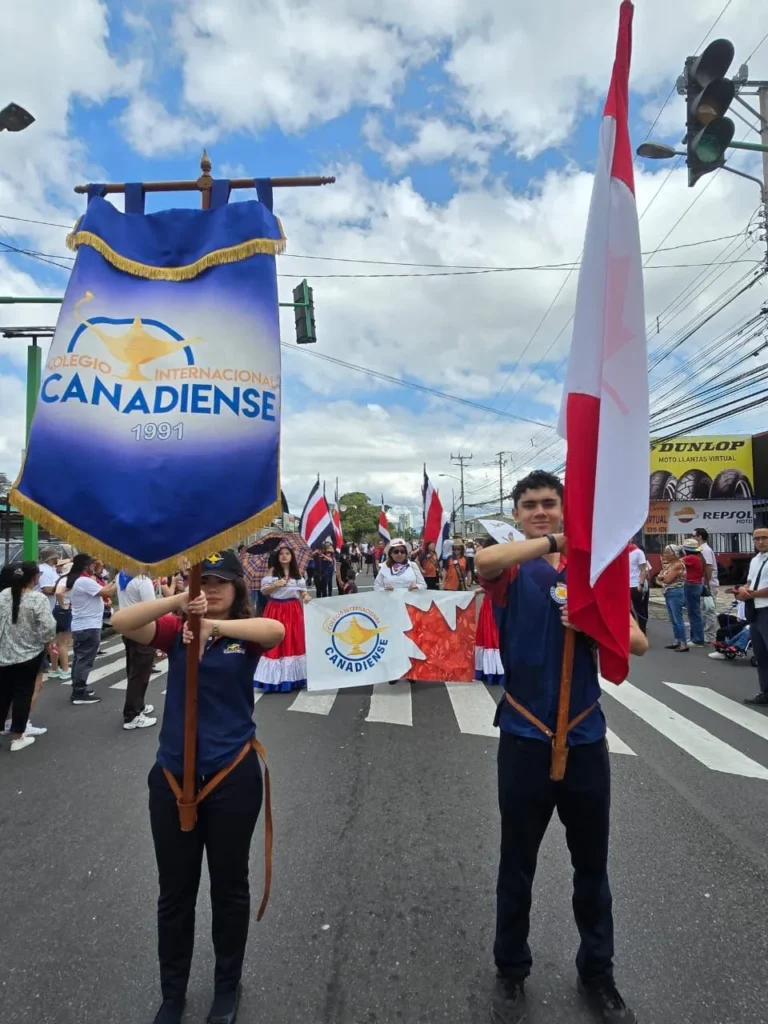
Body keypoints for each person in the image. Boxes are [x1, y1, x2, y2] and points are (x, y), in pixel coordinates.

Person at [475, 470, 647, 1024]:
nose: (541, 511)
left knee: (592, 867)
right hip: (524, 736)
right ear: (518, 514)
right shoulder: (511, 567)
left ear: (566, 506)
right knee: (516, 864)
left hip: (585, 737)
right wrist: (558, 542)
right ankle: (510, 968)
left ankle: (599, 973)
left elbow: (637, 642)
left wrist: (594, 621)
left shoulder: (593, 571)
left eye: (551, 504)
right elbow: (483, 564)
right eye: (531, 506)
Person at [110, 551, 284, 1024]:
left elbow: (276, 633)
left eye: (220, 581)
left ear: (236, 587)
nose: (210, 588)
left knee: (229, 889)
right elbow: (123, 621)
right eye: (202, 580)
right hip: (172, 779)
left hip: (232, 775)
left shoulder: (243, 634)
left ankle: (226, 989)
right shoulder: (177, 632)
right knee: (175, 893)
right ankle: (173, 994)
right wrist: (176, 602)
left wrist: (217, 628)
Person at [0, 562, 57, 752]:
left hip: (4, 652)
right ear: (34, 577)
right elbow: (48, 626)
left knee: (4, 693)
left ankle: (6, 727)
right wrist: (47, 641)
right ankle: (18, 736)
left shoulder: (3, 595)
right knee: (23, 693)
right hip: (29, 653)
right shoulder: (37, 599)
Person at [254, 545, 310, 693]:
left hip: (293, 610)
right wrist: (275, 584)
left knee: (293, 641)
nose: (284, 556)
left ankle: (294, 678)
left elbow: (302, 592)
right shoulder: (271, 574)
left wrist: (306, 596)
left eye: (287, 553)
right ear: (277, 558)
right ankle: (273, 680)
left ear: (292, 557)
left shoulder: (297, 575)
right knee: (275, 641)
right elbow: (264, 591)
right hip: (275, 609)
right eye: (281, 554)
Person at [66, 553, 117, 705]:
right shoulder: (83, 581)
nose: (94, 567)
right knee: (84, 660)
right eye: (92, 565)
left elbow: (103, 589)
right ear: (85, 566)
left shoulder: (80, 580)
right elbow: (107, 592)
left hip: (83, 625)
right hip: (88, 626)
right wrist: (119, 579)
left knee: (79, 658)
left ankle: (78, 687)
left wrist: (114, 580)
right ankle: (79, 692)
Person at [116, 570, 159, 730]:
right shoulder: (142, 580)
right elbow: (152, 608)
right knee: (140, 672)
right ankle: (132, 714)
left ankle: (138, 705)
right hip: (143, 630)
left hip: (127, 628)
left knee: (133, 669)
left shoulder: (121, 576)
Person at [735, 526, 768, 707]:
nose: (761, 541)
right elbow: (750, 581)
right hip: (755, 611)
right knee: (761, 654)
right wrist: (743, 589)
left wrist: (752, 594)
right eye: (757, 539)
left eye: (764, 538)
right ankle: (765, 692)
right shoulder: (756, 560)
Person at [657, 544, 688, 651]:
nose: (665, 555)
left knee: (677, 618)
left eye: (667, 553)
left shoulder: (678, 565)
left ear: (674, 554)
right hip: (669, 592)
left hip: (676, 592)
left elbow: (667, 579)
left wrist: (662, 577)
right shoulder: (670, 565)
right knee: (673, 619)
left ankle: (683, 642)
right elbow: (659, 576)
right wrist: (662, 577)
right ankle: (677, 640)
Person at [693, 527, 719, 642]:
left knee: (709, 609)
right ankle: (705, 632)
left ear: (699, 537)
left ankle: (711, 635)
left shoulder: (705, 550)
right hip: (703, 583)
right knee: (703, 609)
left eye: (694, 536)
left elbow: (708, 567)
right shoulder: (700, 549)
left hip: (708, 584)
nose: (693, 538)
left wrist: (707, 584)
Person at [681, 539, 706, 647]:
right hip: (696, 585)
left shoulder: (690, 558)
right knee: (693, 612)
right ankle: (694, 637)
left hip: (691, 585)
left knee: (694, 613)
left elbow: (677, 562)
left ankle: (697, 639)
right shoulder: (699, 558)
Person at [628, 543, 648, 635]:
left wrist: (641, 584)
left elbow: (643, 569)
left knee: (639, 610)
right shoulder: (620, 552)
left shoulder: (638, 552)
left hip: (635, 585)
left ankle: (642, 632)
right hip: (625, 585)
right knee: (627, 610)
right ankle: (633, 631)